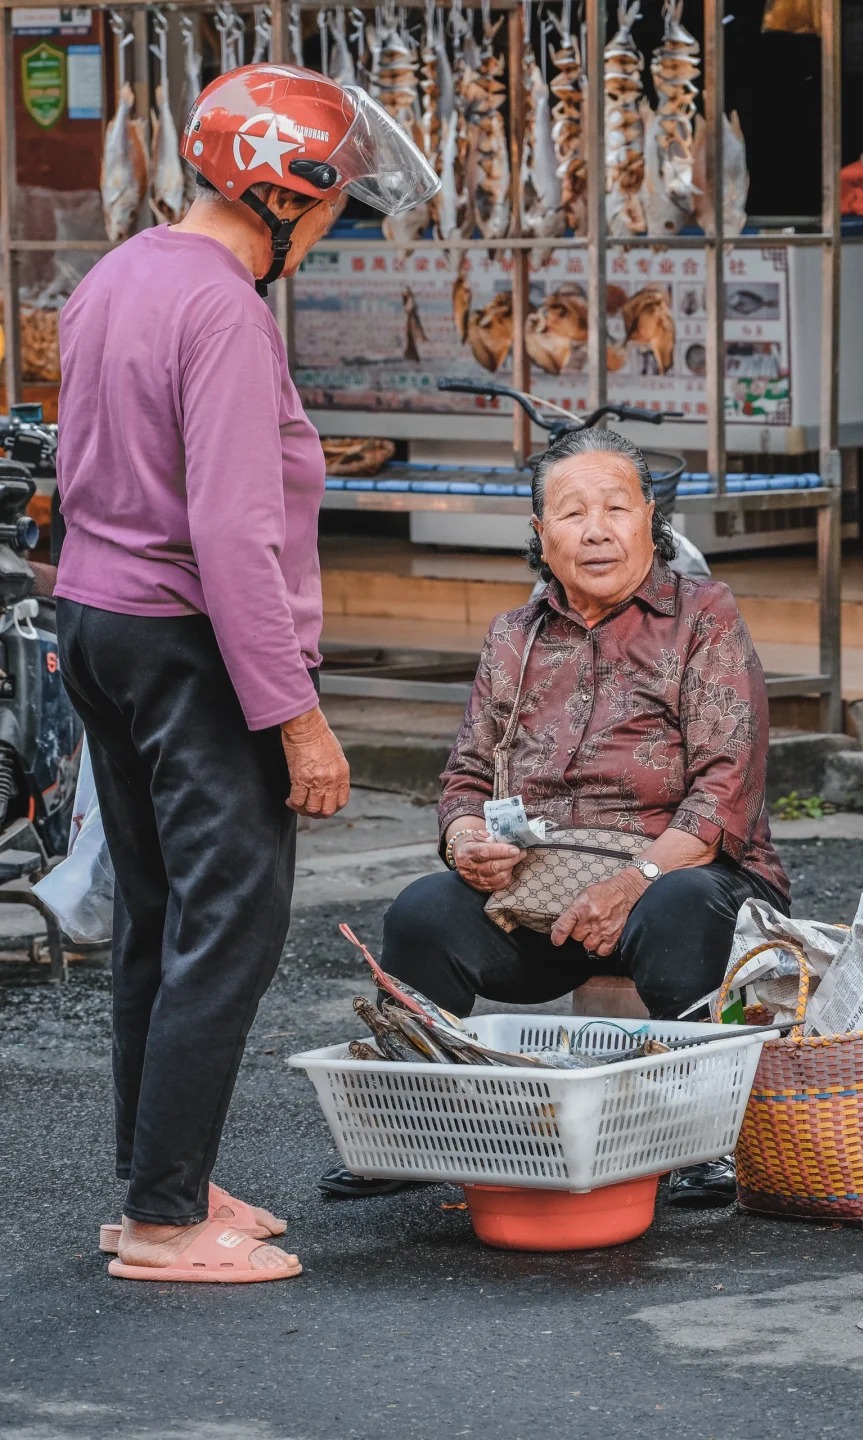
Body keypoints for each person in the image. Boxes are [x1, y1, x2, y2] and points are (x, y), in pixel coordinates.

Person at [53, 65, 436, 1283]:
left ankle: (154, 1185)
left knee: (160, 918)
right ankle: (167, 1224)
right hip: (189, 642)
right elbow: (231, 534)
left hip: (99, 623)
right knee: (230, 923)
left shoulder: (118, 274)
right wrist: (297, 719)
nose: (329, 232)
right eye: (331, 208)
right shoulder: (223, 309)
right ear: (286, 193)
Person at [327, 427, 790, 1207]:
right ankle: (408, 1130)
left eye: (617, 507)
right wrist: (466, 839)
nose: (598, 529)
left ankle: (704, 1138)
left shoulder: (702, 614)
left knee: (678, 906)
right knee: (424, 913)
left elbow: (724, 788)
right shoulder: (514, 636)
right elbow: (467, 773)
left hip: (684, 878)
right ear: (541, 534)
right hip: (545, 894)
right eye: (573, 513)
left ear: (651, 519)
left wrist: (635, 882)